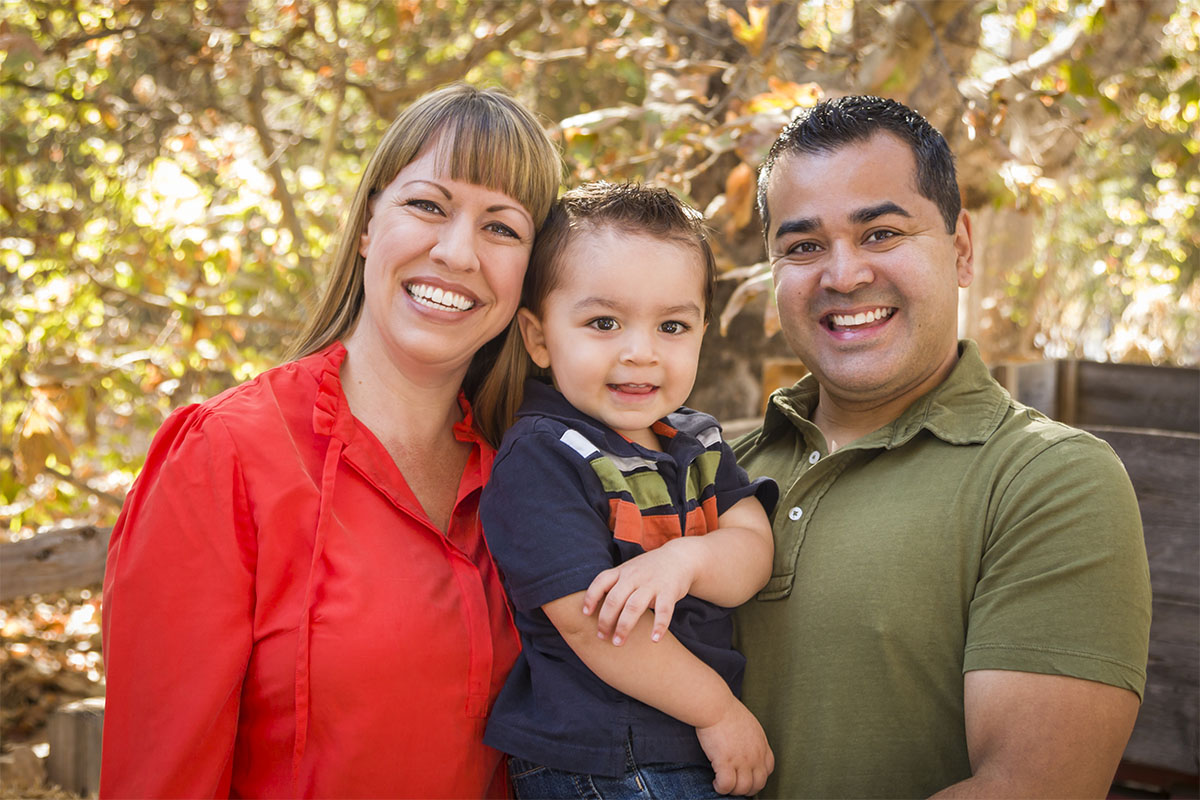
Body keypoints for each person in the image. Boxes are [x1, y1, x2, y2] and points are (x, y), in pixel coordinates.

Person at [99, 83, 562, 799]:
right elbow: (161, 778)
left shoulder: (538, 472)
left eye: (502, 228)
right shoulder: (225, 455)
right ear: (369, 224)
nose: (457, 252)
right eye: (428, 206)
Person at [732, 94, 1153, 798]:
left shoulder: (1047, 479)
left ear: (960, 250)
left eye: (881, 234)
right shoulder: (717, 469)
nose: (843, 275)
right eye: (803, 246)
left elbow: (1028, 788)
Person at [475, 182, 779, 798]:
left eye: (672, 325)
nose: (641, 352)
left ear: (702, 332)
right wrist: (717, 711)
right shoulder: (543, 454)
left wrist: (687, 560)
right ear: (539, 338)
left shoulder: (698, 441)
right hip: (606, 756)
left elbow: (752, 552)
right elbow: (591, 624)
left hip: (683, 743)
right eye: (604, 323)